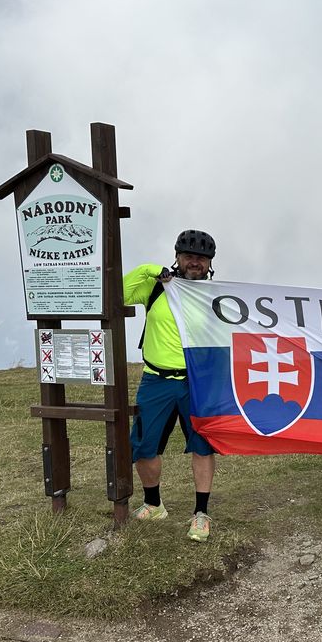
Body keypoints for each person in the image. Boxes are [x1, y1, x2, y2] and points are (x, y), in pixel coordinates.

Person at [123, 229, 219, 542]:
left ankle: (201, 513)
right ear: (177, 257)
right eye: (188, 256)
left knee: (202, 445)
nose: (195, 262)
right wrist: (150, 270)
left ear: (209, 264)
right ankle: (153, 504)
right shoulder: (155, 288)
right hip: (156, 380)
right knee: (143, 445)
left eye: (201, 258)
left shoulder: (217, 296)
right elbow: (118, 294)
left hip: (198, 383)